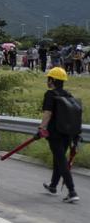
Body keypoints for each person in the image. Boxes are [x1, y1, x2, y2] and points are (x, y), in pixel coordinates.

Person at [39, 67, 80, 203]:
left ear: (52, 80)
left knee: (61, 161)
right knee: (59, 158)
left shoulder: (51, 94)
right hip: (67, 133)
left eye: (48, 78)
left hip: (55, 133)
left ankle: (72, 191)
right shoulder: (68, 95)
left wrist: (41, 127)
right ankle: (53, 186)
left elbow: (48, 113)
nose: (47, 81)